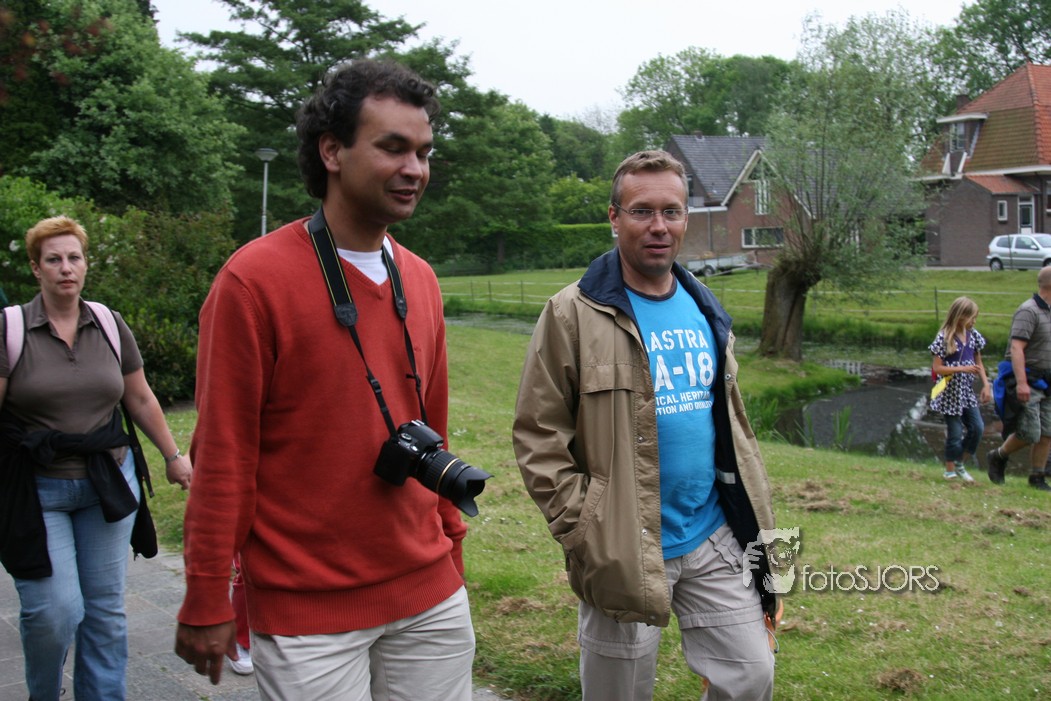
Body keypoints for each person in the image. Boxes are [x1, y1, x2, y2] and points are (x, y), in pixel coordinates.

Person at [174, 59, 476, 699]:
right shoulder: (253, 282)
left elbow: (436, 427)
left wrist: (452, 550)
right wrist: (206, 591)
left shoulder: (421, 279)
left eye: (423, 152)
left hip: (430, 597)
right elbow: (225, 453)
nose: (415, 169)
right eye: (393, 147)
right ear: (332, 151)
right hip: (307, 612)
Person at [512, 150, 778, 700]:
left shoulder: (704, 305)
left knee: (752, 674)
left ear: (685, 218)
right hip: (621, 542)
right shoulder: (570, 313)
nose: (659, 226)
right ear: (614, 218)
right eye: (642, 211)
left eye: (671, 211)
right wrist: (583, 527)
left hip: (713, 533)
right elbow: (538, 433)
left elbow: (729, 421)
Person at [0, 215, 192, 701]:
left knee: (105, 610)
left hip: (108, 480)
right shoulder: (11, 329)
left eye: (74, 257)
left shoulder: (108, 323)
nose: (66, 268)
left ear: (85, 264)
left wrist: (173, 455)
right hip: (37, 489)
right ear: (36, 268)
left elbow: (140, 397)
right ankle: (44, 692)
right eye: (53, 259)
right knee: (54, 611)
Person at [987, 266, 1051, 491]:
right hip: (1028, 380)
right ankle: (998, 455)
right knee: (1030, 432)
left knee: (1048, 433)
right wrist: (1022, 383)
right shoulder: (1028, 311)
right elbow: (1016, 348)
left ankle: (1037, 477)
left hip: (1048, 382)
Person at [928, 296, 992, 482]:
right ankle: (950, 471)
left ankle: (960, 462)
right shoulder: (944, 338)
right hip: (950, 393)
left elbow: (979, 362)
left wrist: (986, 384)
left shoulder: (974, 336)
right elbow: (937, 368)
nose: (974, 321)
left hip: (966, 391)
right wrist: (961, 368)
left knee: (977, 428)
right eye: (972, 317)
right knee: (955, 433)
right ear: (960, 316)